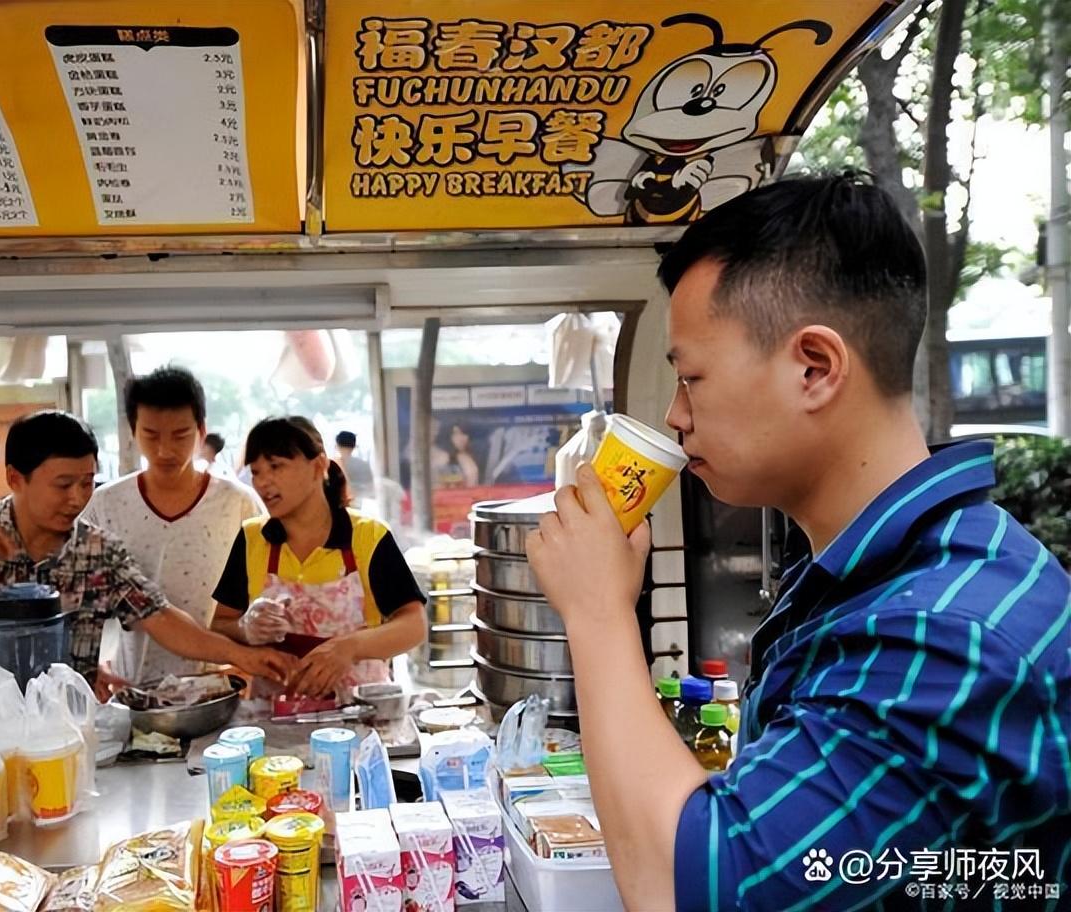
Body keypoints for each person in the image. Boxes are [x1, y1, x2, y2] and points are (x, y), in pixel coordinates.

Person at [525, 173, 1070, 911]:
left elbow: (698, 892)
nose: (677, 417)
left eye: (691, 378)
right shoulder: (887, 574)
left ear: (815, 367)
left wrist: (596, 611)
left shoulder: (945, 637)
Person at [0, 410, 295, 690]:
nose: (78, 498)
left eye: (86, 483)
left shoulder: (97, 553)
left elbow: (164, 620)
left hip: (62, 735)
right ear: (15, 478)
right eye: (63, 485)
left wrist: (244, 656)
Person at [210, 416, 427, 700]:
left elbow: (414, 625)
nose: (263, 482)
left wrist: (349, 647)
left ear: (318, 465)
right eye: (256, 471)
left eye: (276, 466)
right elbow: (219, 624)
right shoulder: (253, 538)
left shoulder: (366, 536)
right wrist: (245, 628)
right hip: (277, 718)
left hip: (360, 713)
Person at [83, 367, 263, 686]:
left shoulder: (238, 504)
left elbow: (267, 592)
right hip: (134, 688)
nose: (165, 450)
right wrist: (86, 664)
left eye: (180, 436)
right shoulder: (105, 504)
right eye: (151, 435)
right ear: (133, 431)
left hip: (223, 685)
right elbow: (79, 599)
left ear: (202, 431)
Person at [334, 430, 375, 500]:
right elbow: (372, 489)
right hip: (363, 503)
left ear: (337, 446)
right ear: (354, 446)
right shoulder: (364, 465)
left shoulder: (333, 465)